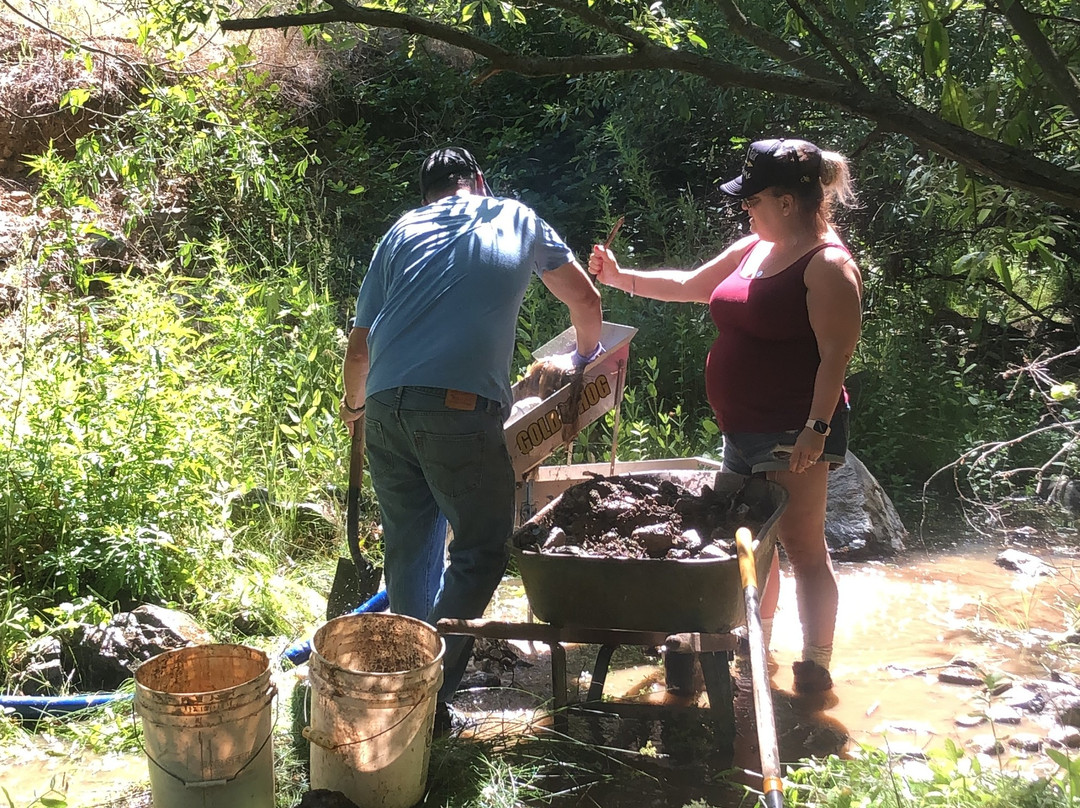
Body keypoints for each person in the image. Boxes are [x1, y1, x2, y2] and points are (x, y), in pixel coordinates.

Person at [339, 146, 603, 727]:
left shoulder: (401, 231)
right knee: (482, 547)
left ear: (427, 194)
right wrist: (586, 358)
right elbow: (586, 300)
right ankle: (426, 698)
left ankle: (407, 682)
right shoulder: (513, 215)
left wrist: (355, 406)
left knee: (409, 547)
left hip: (384, 407)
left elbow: (358, 349)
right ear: (479, 182)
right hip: (459, 409)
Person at [589, 138, 862, 693]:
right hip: (743, 428)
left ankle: (815, 665)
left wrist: (816, 430)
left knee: (803, 546)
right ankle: (755, 647)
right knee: (752, 544)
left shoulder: (828, 265)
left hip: (793, 430)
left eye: (753, 199)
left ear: (787, 201)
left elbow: (837, 354)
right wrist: (621, 277)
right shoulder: (753, 248)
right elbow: (691, 286)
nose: (746, 209)